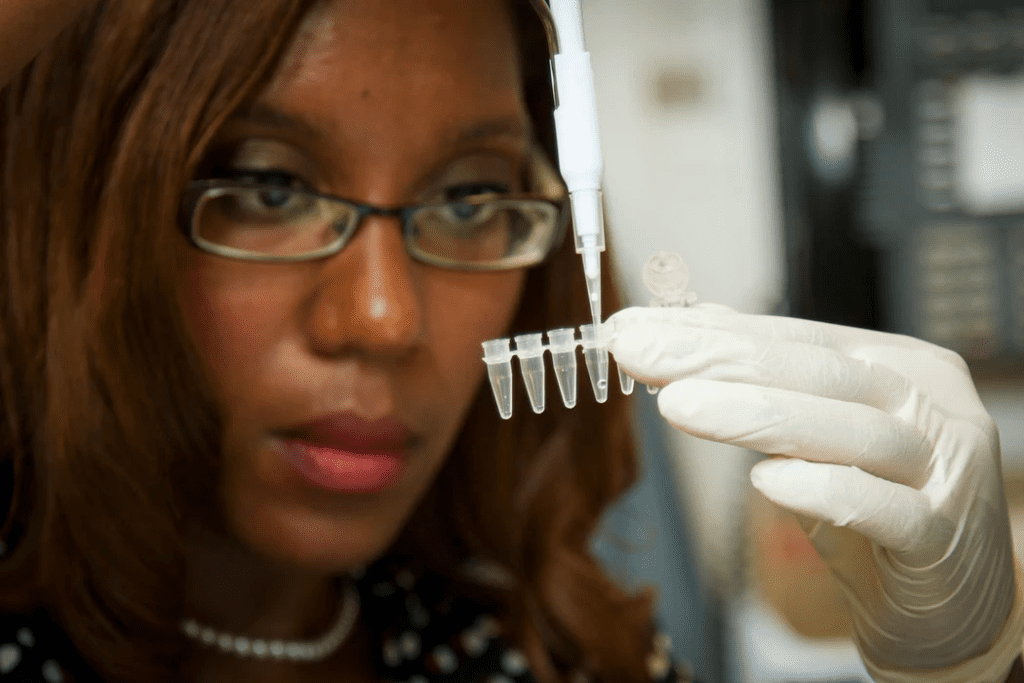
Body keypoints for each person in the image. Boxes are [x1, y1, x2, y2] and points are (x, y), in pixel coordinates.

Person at [0, 1, 1020, 682]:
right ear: (81, 208)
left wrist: (965, 671)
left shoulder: (556, 653)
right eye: (270, 187)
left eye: (467, 196)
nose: (385, 320)